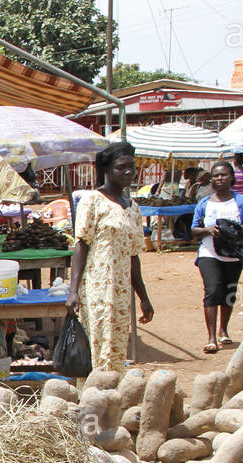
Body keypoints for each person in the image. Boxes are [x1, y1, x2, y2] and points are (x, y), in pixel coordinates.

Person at [66, 142, 155, 373]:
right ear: (107, 170)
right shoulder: (92, 200)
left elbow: (134, 256)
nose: (128, 172)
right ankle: (91, 397)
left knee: (116, 346)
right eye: (121, 167)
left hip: (121, 291)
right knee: (96, 344)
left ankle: (112, 395)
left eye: (132, 167)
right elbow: (81, 245)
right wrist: (73, 290)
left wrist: (143, 297)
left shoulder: (133, 208)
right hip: (96, 288)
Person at [191, 160, 243, 353]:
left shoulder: (242, 202)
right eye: (216, 175)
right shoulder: (204, 203)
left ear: (232, 178)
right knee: (212, 290)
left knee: (229, 293)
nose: (220, 178)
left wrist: (229, 228)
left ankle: (223, 331)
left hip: (234, 255)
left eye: (224, 175)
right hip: (209, 253)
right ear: (211, 179)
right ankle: (211, 337)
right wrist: (208, 230)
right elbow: (194, 230)